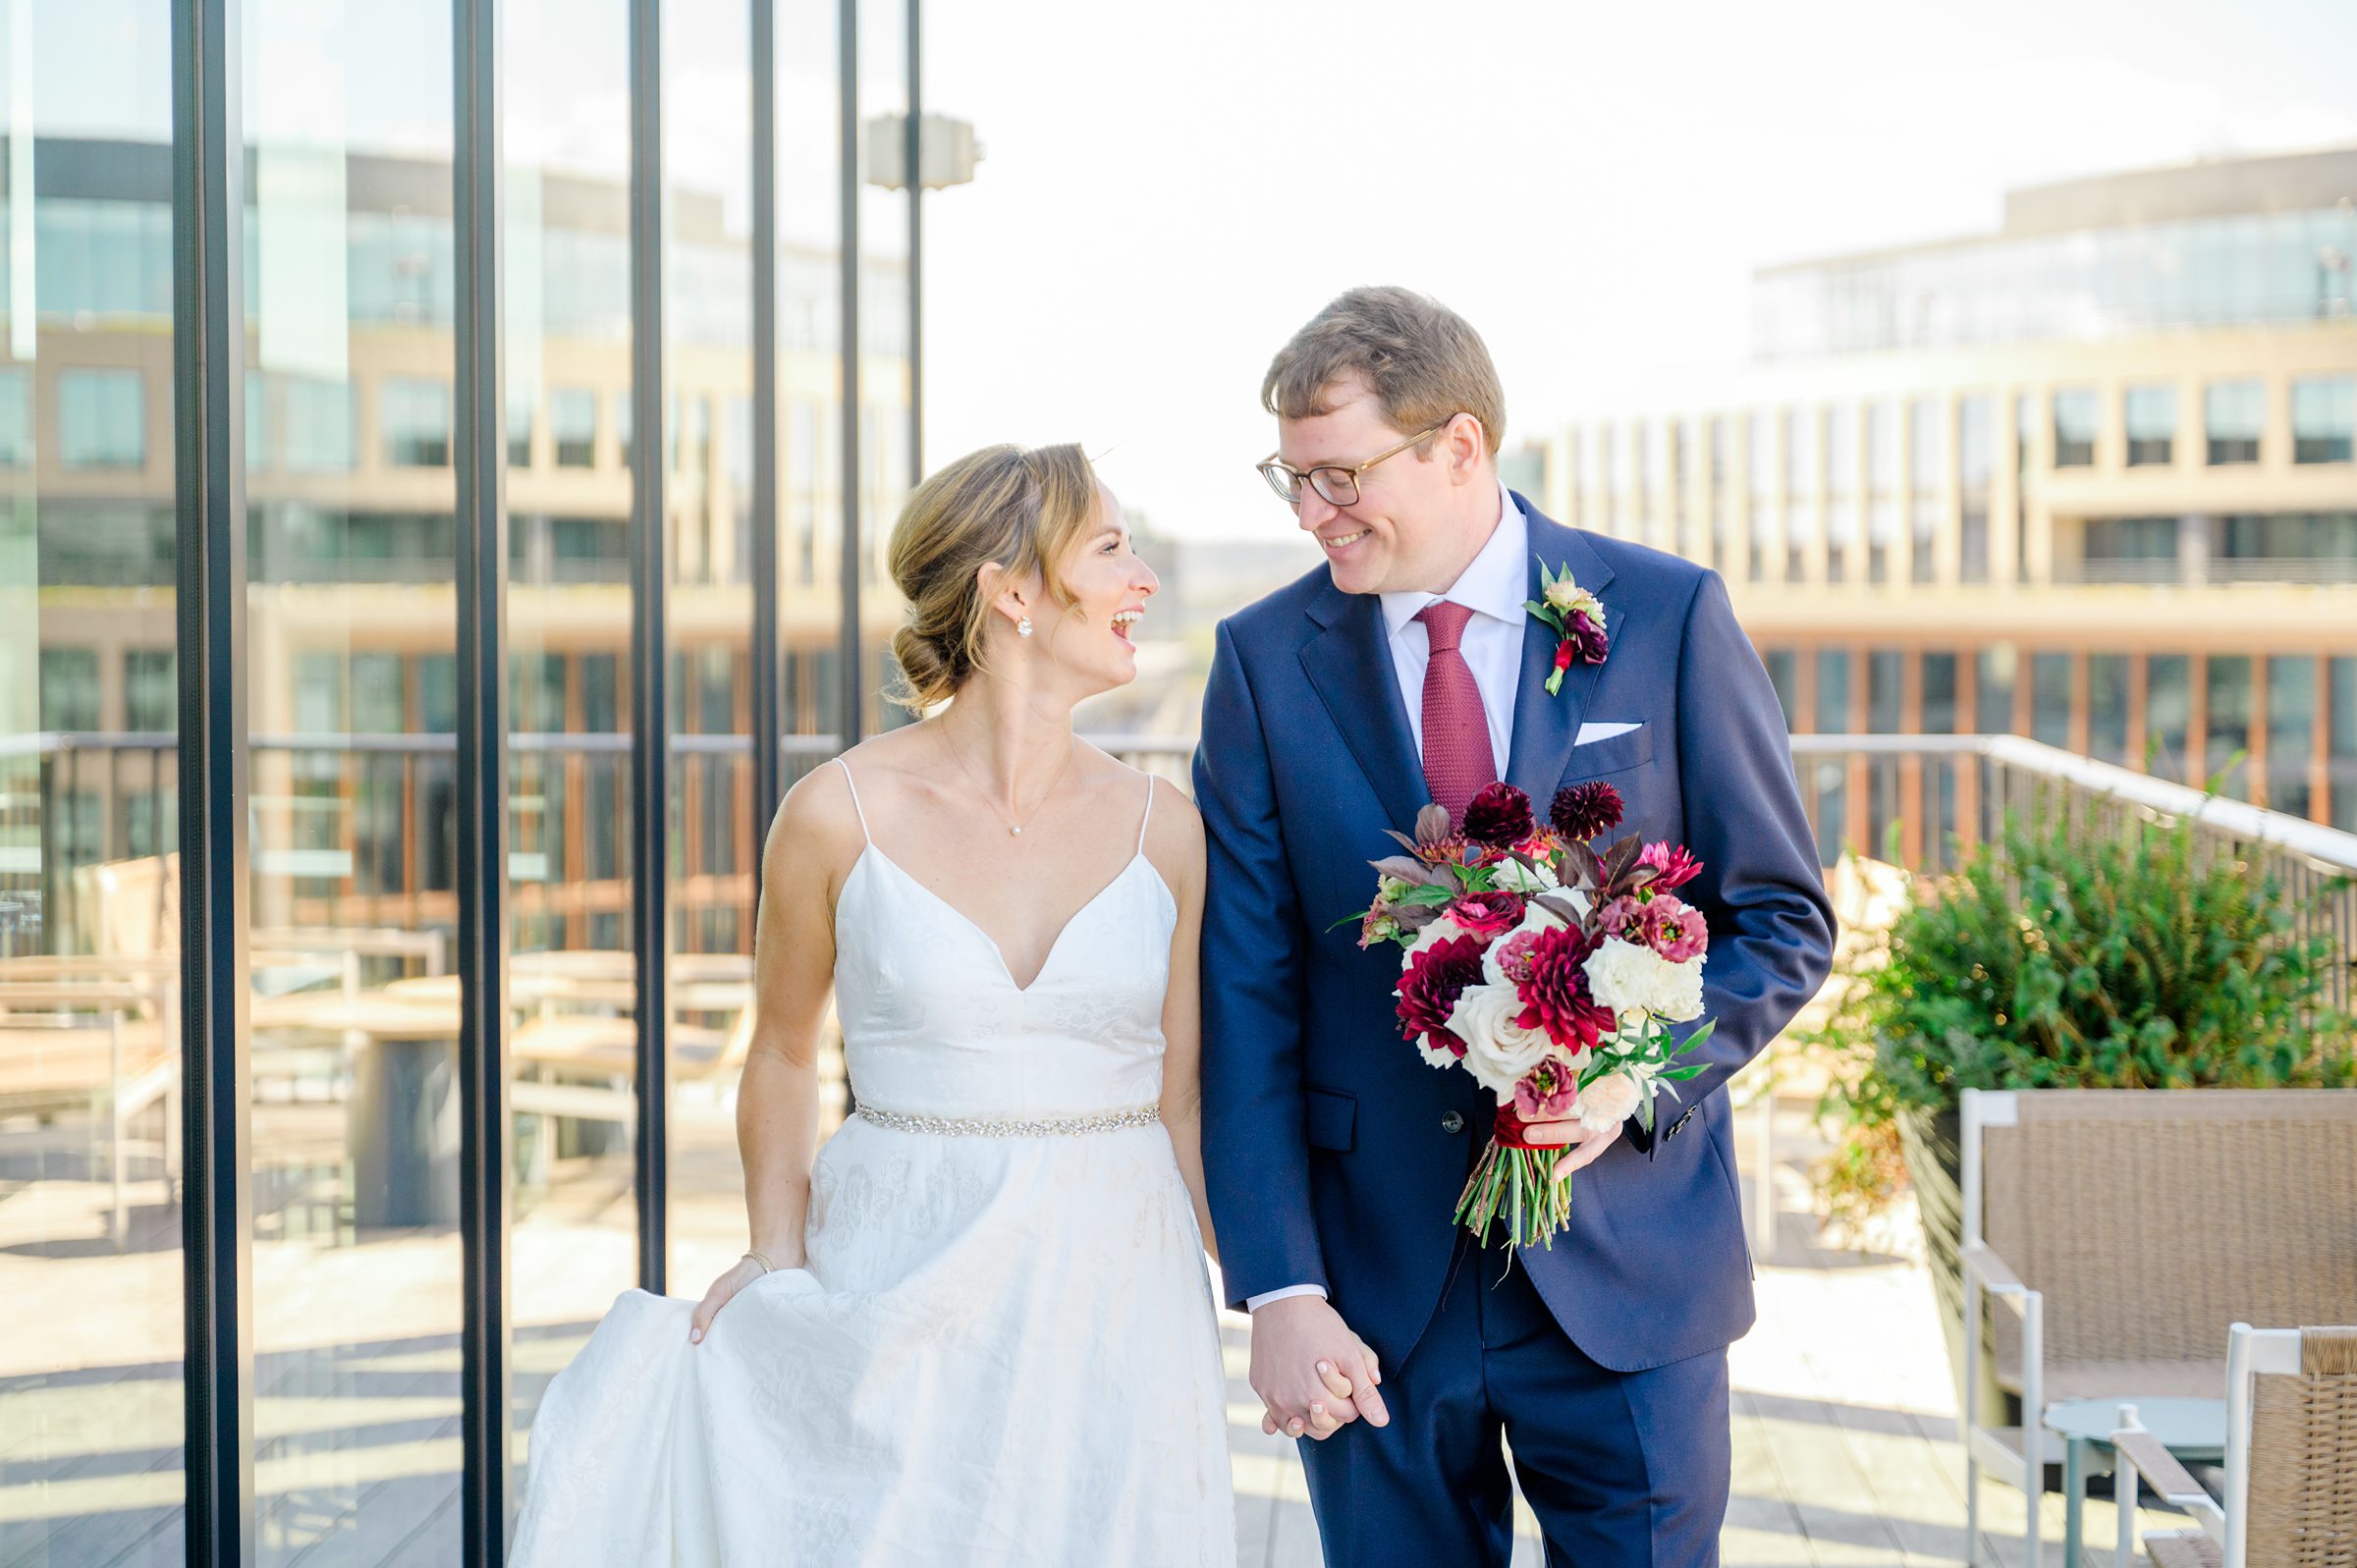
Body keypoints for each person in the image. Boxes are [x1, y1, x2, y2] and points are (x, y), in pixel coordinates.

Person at [1195, 287, 1837, 1565]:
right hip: (1374, 1297)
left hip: (1631, 1271)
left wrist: (1631, 1081)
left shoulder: (1663, 615)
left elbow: (1780, 917)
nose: (1311, 513)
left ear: (1460, 448)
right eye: (1291, 477)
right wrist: (1279, 1287)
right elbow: (1246, 996)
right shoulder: (1261, 661)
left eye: (1339, 474)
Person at [511, 443, 1237, 1566]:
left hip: (1118, 1293)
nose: (1143, 577)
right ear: (1012, 591)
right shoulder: (833, 814)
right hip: (899, 1266)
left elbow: (1184, 1099)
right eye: (1111, 546)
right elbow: (786, 1054)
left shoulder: (1167, 826)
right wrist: (774, 1253)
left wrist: (1270, 1292)